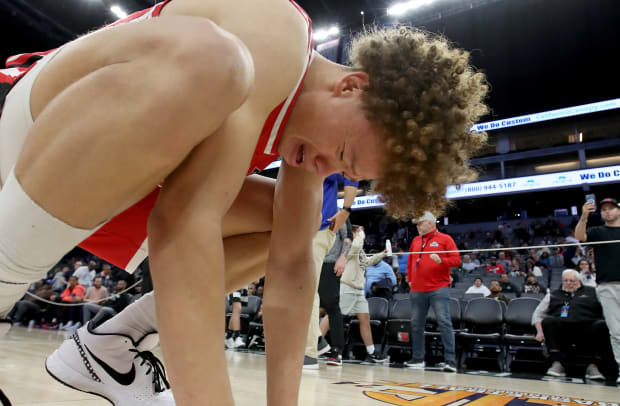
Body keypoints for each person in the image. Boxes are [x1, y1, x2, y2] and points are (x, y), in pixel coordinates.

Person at [0, 0, 489, 404]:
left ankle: (111, 343)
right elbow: (184, 222)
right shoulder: (276, 30)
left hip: (102, 183)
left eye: (343, 171)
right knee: (214, 62)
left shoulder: (303, 142)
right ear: (351, 86)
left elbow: (292, 274)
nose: (325, 169)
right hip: (34, 129)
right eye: (340, 154)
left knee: (291, 227)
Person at [304, 174, 357, 369]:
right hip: (302, 232)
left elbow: (348, 239)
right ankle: (317, 342)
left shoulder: (325, 162)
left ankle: (324, 349)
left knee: (327, 303)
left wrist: (342, 258)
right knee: (305, 293)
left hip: (328, 255)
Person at [406, 211, 461, 372]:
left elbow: (456, 260)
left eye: (420, 223)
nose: (417, 226)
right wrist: (410, 279)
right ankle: (417, 359)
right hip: (417, 288)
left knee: (444, 322)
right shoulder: (416, 241)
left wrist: (442, 260)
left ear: (430, 223)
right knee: (416, 324)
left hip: (438, 288)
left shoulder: (445, 239)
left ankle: (450, 361)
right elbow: (410, 261)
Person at [532, 269, 611, 380]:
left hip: (587, 329)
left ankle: (592, 366)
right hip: (562, 331)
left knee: (601, 324)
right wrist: (539, 332)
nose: (568, 283)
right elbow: (538, 314)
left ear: (579, 281)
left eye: (572, 281)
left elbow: (607, 311)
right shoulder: (553, 294)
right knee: (549, 321)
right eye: (566, 281)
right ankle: (557, 364)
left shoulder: (593, 292)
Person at [575, 197, 620, 384]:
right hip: (607, 285)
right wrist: (584, 216)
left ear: (619, 210)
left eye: (611, 208)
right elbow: (580, 237)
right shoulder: (598, 231)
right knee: (616, 332)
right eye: (604, 209)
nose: (607, 211)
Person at [339, 225, 387, 365]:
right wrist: (361, 234)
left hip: (358, 289)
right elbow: (355, 247)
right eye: (357, 233)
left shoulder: (359, 249)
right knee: (333, 317)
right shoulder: (347, 246)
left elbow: (366, 262)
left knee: (365, 318)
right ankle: (316, 346)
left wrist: (382, 253)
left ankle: (371, 353)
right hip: (347, 287)